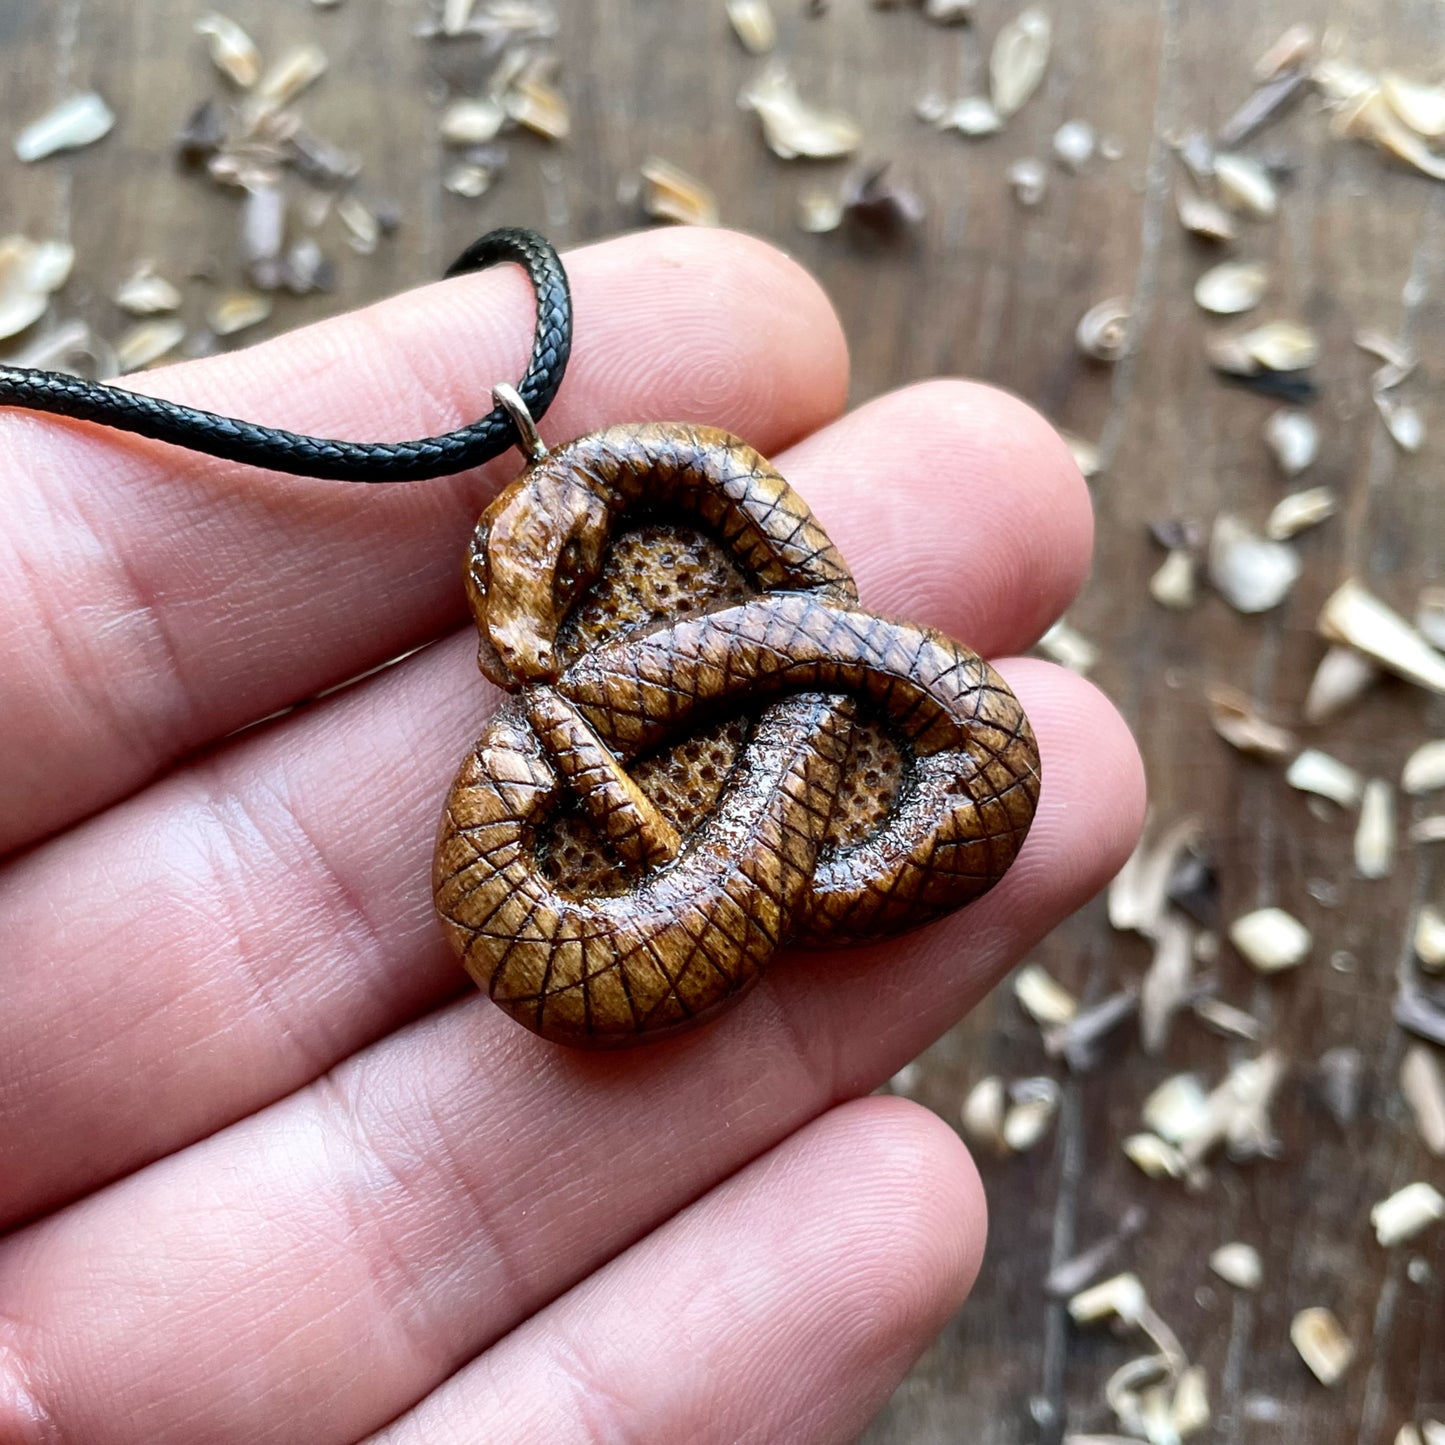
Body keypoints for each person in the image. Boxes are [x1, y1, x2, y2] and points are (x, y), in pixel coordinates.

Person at [0, 228, 1143, 1443]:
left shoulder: (676, 548)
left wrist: (671, 774)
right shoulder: (660, 618)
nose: (520, 655)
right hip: (637, 876)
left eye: (534, 618)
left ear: (594, 531)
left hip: (738, 829)